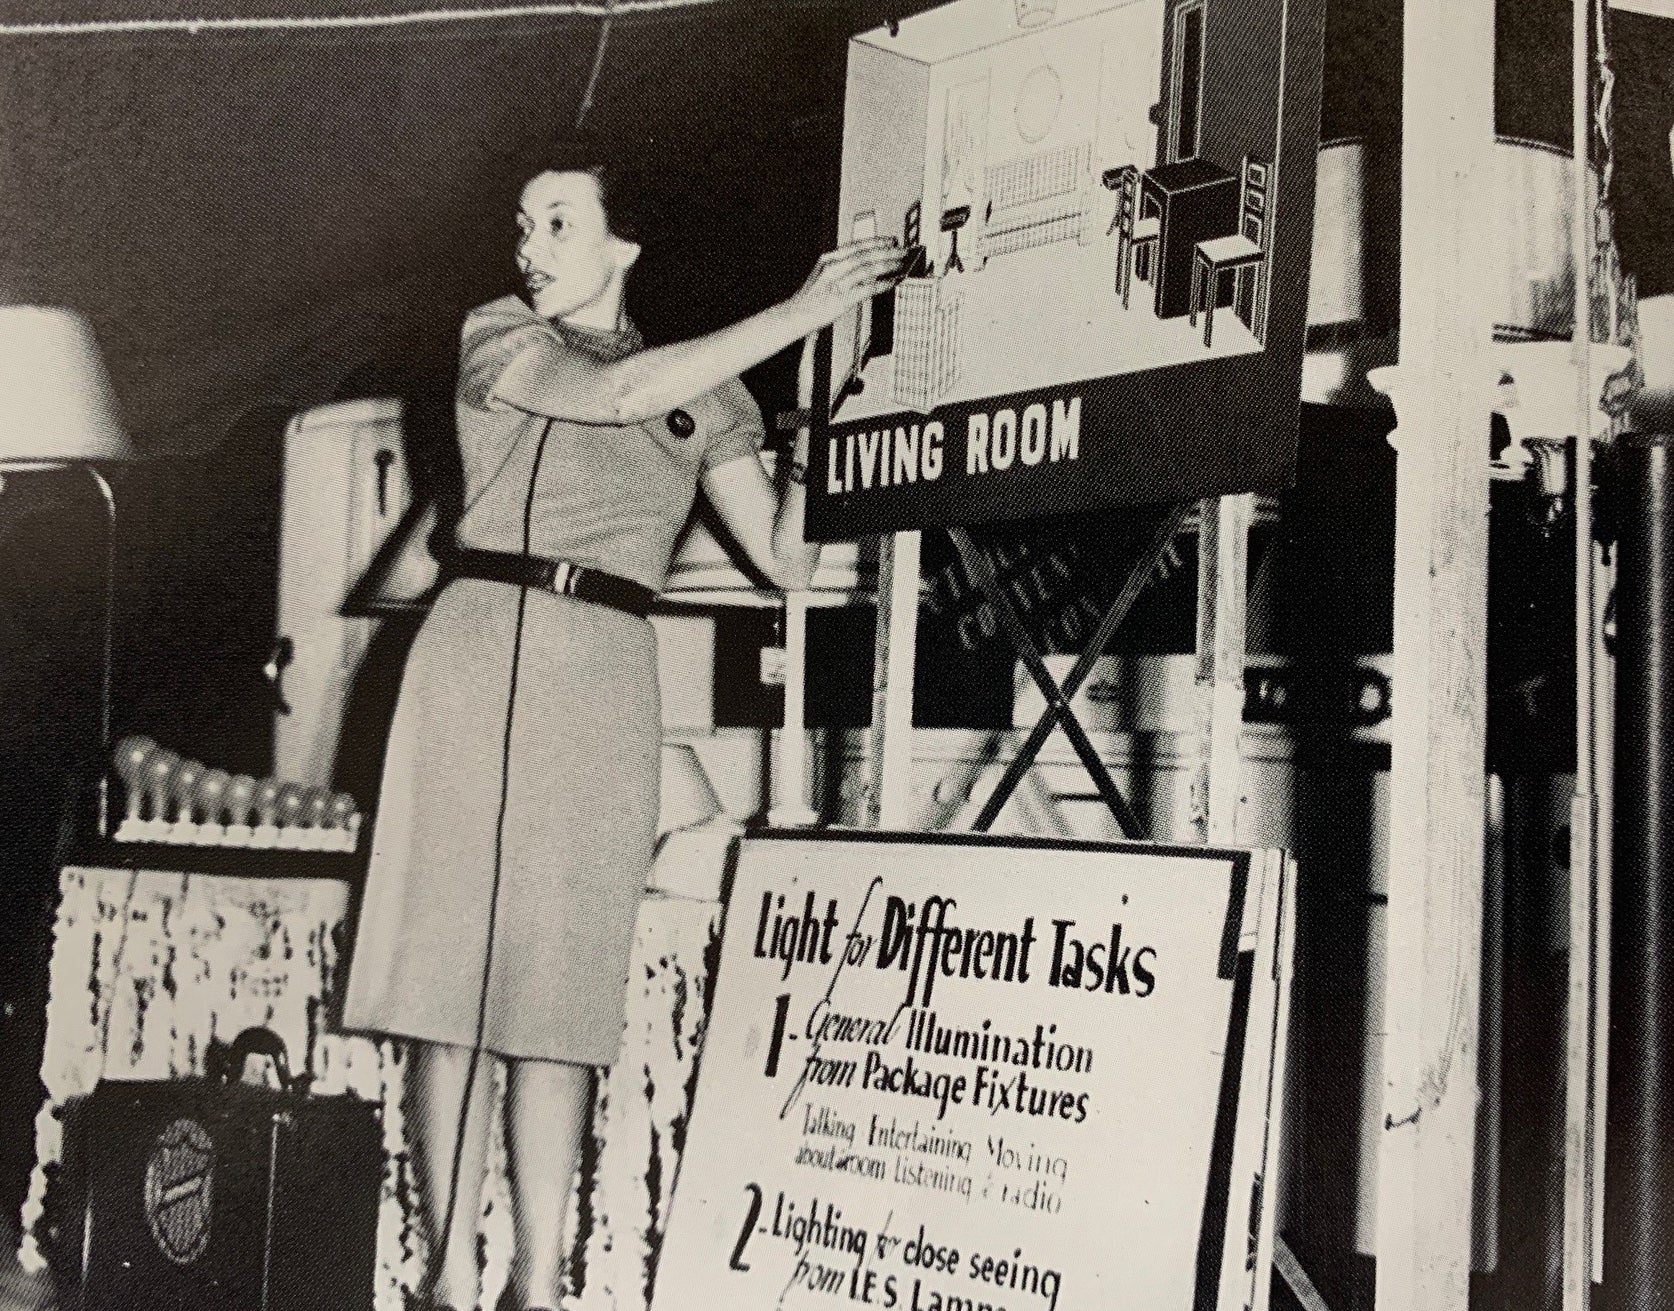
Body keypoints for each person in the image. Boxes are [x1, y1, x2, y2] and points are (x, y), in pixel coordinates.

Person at [342, 154, 904, 1311]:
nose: (529, 246)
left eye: (558, 222)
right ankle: (451, 1280)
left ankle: (537, 1285)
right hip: (480, 647)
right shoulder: (499, 335)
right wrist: (798, 310)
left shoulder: (718, 393)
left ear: (625, 243)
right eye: (523, 224)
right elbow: (613, 397)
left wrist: (839, 401)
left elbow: (788, 556)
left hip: (604, 670)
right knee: (454, 989)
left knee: (559, 998)